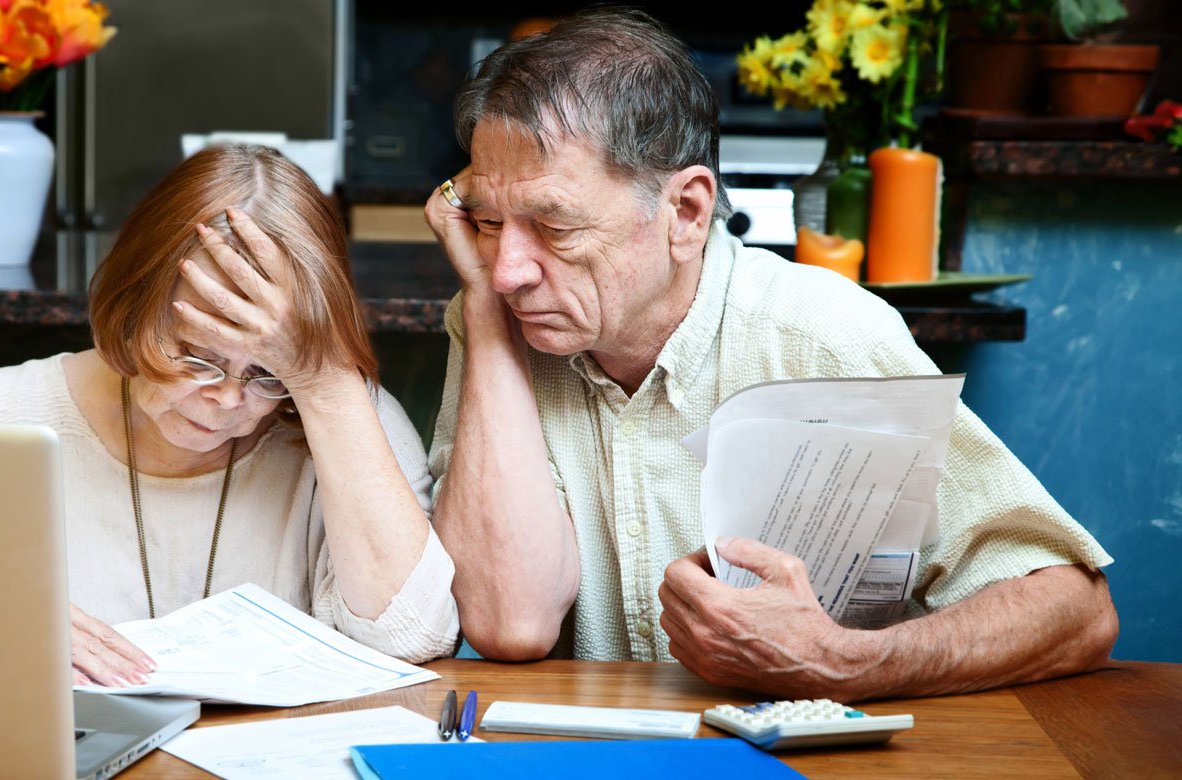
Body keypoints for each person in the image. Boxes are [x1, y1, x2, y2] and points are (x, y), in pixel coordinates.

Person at [423, 8, 1117, 701]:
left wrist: (847, 662)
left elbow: (1077, 611)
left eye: (554, 225)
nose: (509, 269)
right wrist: (484, 317)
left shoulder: (821, 334)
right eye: (487, 222)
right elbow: (509, 623)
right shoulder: (496, 312)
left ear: (686, 214)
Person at [0, 144, 459, 683]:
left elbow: (412, 635)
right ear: (133, 308)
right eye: (198, 357)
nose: (228, 399)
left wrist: (323, 382)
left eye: (267, 373)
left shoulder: (341, 412)